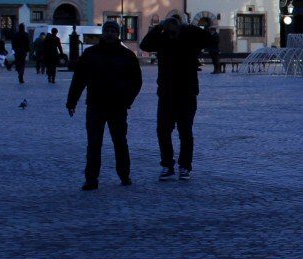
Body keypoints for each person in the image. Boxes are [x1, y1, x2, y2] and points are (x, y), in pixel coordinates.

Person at [65, 21, 142, 190]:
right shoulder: (91, 54)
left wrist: (128, 100)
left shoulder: (127, 56)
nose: (110, 34)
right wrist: (72, 101)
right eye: (107, 30)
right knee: (94, 143)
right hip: (95, 104)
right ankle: (91, 178)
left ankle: (124, 174)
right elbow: (79, 79)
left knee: (120, 142)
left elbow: (136, 81)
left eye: (113, 31)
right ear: (103, 33)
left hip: (118, 105)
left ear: (118, 34)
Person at [138, 13, 209, 181]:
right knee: (163, 131)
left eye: (174, 29)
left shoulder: (190, 41)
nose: (171, 32)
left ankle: (185, 166)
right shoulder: (163, 42)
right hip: (166, 93)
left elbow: (210, 39)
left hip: (187, 92)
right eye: (169, 30)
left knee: (185, 132)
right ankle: (167, 164)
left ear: (179, 28)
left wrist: (188, 27)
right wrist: (158, 28)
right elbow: (144, 45)